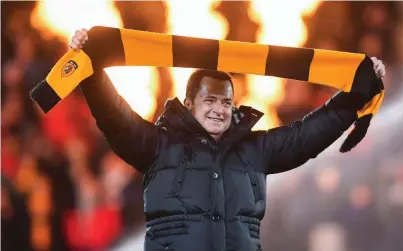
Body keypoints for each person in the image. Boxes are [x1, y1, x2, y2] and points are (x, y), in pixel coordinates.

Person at [70, 29, 386, 251]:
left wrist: (355, 93)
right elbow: (115, 117)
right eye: (210, 101)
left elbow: (306, 136)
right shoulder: (158, 146)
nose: (219, 109)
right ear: (189, 104)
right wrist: (91, 69)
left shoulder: (254, 149)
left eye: (226, 102)